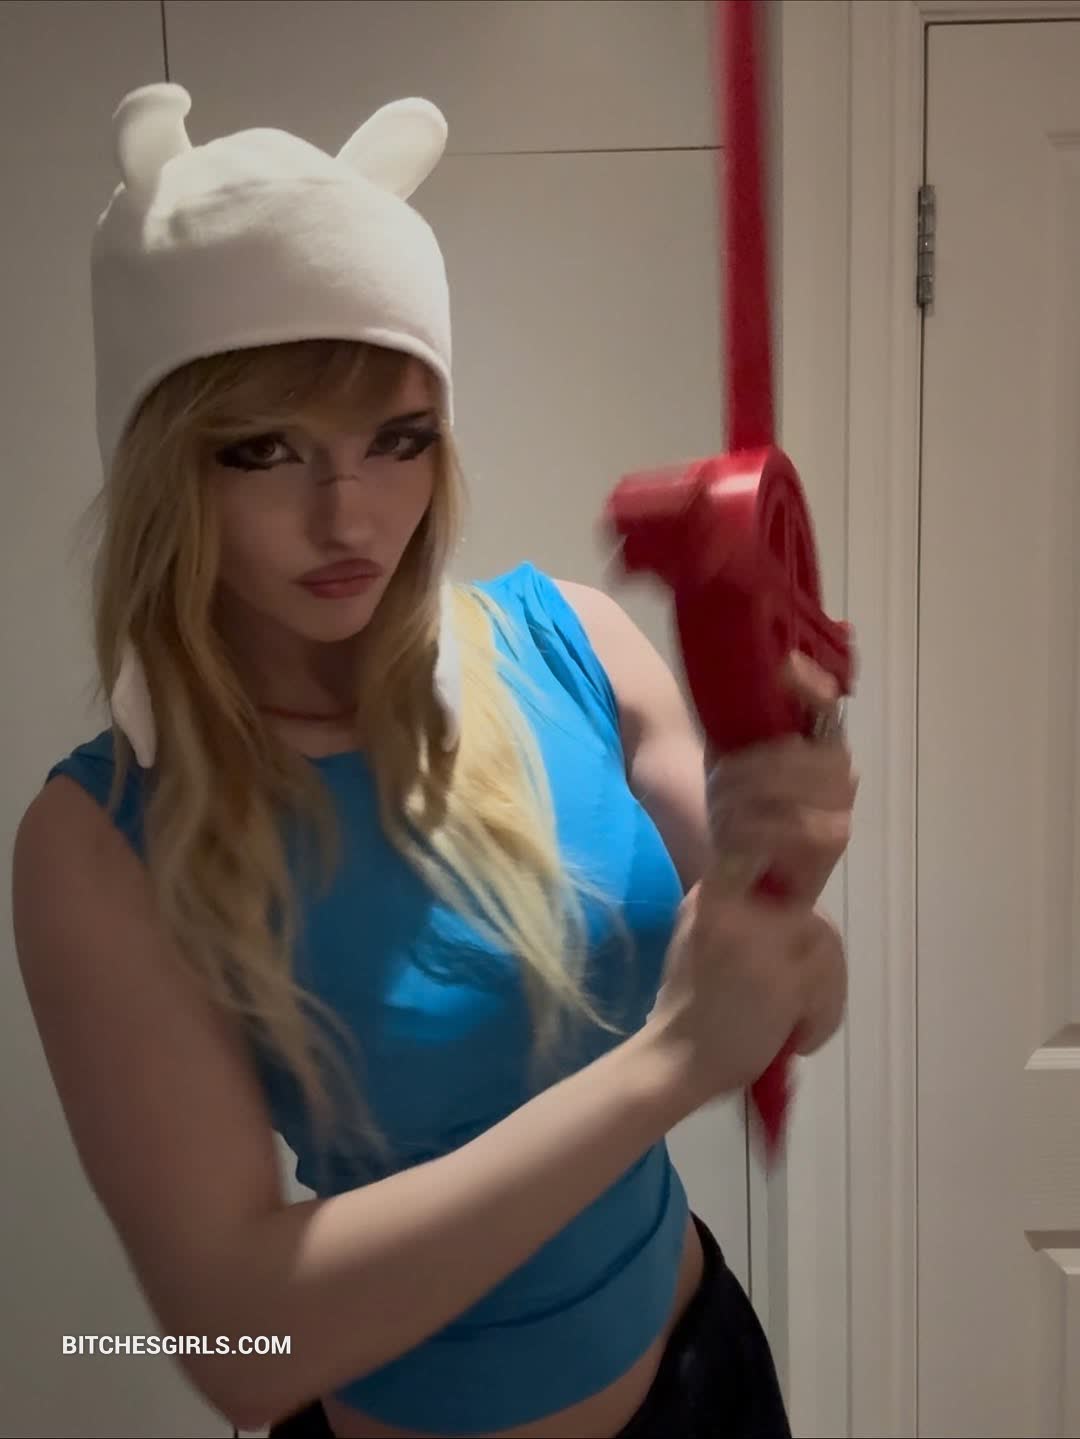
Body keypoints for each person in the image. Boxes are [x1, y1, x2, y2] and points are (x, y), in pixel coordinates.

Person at [11, 84, 855, 1439]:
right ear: (166, 464)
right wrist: (664, 1067)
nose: (349, 515)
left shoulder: (572, 644)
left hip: (709, 1374)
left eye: (397, 439)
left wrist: (795, 840)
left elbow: (797, 1007)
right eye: (265, 450)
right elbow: (239, 1342)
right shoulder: (99, 838)